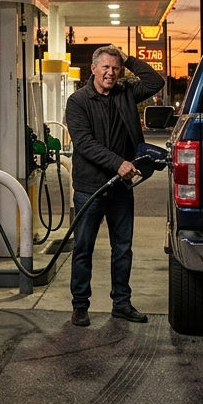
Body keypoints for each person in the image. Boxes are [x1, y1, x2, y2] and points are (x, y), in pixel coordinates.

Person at [65, 46, 164, 326]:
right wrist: (118, 162)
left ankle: (121, 303)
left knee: (123, 248)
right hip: (90, 188)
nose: (111, 73)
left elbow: (156, 82)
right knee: (83, 248)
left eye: (116, 68)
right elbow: (84, 143)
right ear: (93, 69)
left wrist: (128, 57)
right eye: (106, 67)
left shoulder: (126, 92)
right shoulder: (78, 102)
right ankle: (80, 305)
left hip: (121, 187)